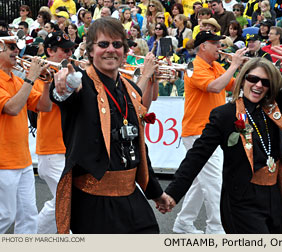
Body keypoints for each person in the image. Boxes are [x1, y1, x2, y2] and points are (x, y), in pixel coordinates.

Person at [163, 44, 282, 234]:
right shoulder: (225, 115)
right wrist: (172, 193)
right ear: (243, 81)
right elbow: (197, 156)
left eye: (265, 82)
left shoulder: (274, 108)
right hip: (242, 201)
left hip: (274, 196)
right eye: (253, 79)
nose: (259, 85)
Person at [50, 17, 170, 234]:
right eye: (103, 44)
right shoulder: (82, 83)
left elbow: (139, 147)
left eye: (117, 45)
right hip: (94, 204)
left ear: (125, 51)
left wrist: (155, 192)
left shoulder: (131, 89)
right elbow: (64, 91)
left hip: (131, 197)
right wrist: (63, 85)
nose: (110, 50)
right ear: (90, 50)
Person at [171, 31, 247, 234]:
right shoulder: (194, 67)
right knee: (214, 181)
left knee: (200, 180)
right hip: (198, 130)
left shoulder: (215, 65)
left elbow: (233, 85)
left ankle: (183, 222)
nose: (219, 47)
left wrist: (249, 69)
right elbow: (214, 87)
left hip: (209, 131)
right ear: (203, 46)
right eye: (215, 43)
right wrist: (235, 65)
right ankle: (216, 228)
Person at [0, 31, 52, 234]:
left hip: (23, 161)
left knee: (29, 215)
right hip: (3, 161)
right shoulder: (20, 81)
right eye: (11, 47)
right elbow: (11, 108)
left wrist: (47, 83)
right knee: (5, 215)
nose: (17, 51)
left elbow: (44, 106)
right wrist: (31, 78)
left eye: (16, 47)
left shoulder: (17, 80)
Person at [31, 31, 75, 234]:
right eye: (64, 50)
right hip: (51, 148)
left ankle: (36, 235)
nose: (69, 53)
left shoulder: (72, 71)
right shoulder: (40, 76)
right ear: (49, 51)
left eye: (71, 49)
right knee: (67, 199)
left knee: (64, 200)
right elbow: (43, 105)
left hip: (69, 147)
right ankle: (34, 235)